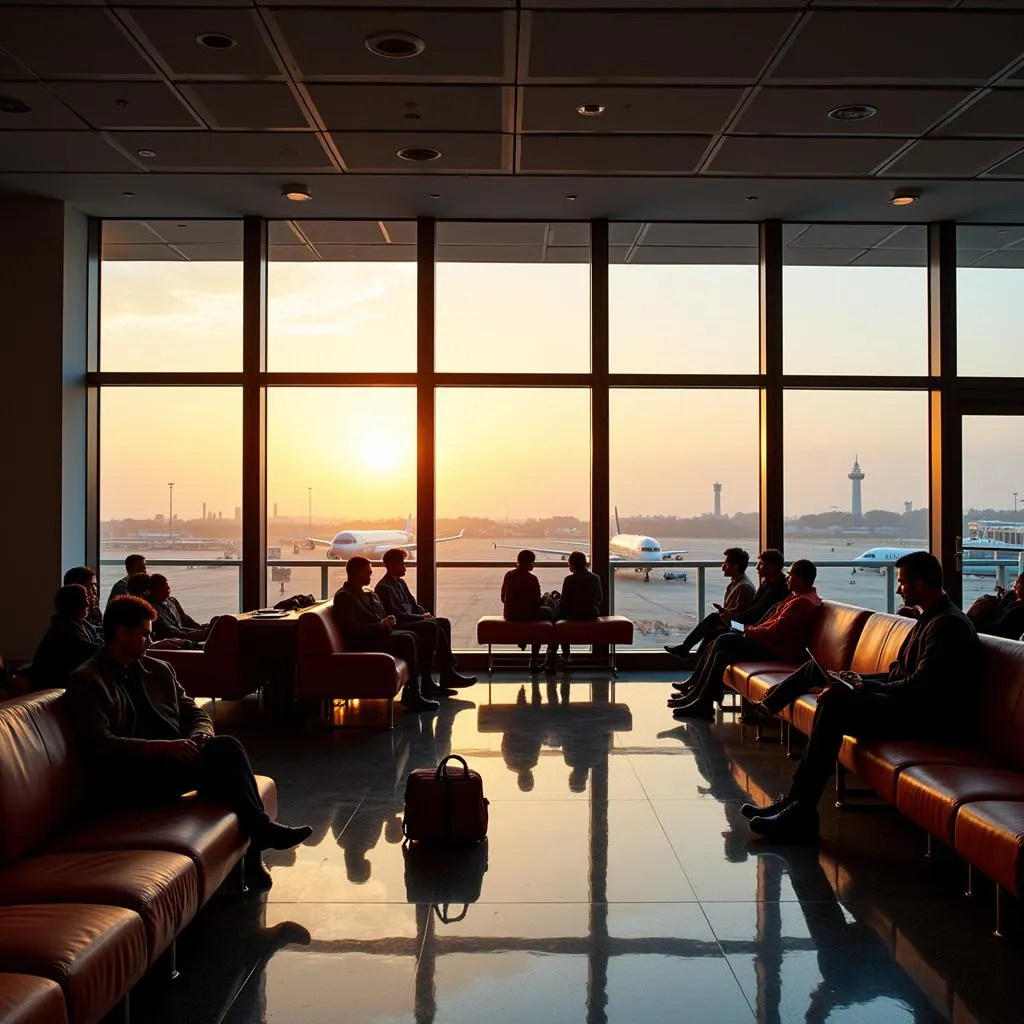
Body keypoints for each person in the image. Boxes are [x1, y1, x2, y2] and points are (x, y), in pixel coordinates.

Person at [63, 596, 312, 888]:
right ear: (121, 633)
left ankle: (255, 846)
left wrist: (200, 733)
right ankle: (255, 850)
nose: (151, 639)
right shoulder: (88, 680)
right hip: (132, 773)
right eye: (144, 633)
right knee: (227, 757)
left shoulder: (158, 670)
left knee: (224, 763)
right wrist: (161, 746)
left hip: (172, 760)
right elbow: (100, 743)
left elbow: (193, 710)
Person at [747, 551, 980, 843]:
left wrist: (864, 688)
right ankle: (796, 803)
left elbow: (922, 686)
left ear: (920, 584)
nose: (898, 589)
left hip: (925, 720)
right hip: (909, 706)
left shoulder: (947, 625)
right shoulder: (933, 619)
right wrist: (857, 680)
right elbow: (900, 675)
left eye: (903, 583)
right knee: (824, 677)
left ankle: (800, 809)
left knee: (834, 703)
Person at [669, 559, 822, 720]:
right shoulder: (801, 598)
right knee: (722, 653)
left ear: (799, 578)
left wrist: (745, 630)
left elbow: (774, 630)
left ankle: (699, 697)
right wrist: (743, 629)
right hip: (771, 644)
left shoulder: (801, 602)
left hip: (775, 650)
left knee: (723, 639)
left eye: (790, 575)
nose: (787, 578)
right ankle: (701, 700)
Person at [332, 556, 440, 712]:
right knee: (408, 639)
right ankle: (413, 693)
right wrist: (380, 626)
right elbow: (352, 630)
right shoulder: (345, 597)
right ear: (356, 572)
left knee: (411, 636)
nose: (371, 574)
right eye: (367, 572)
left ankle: (415, 689)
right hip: (363, 642)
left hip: (375, 636)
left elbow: (381, 615)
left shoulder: (367, 594)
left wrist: (388, 621)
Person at [374, 547, 475, 689]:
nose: (405, 567)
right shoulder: (384, 587)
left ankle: (448, 672)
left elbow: (413, 604)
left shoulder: (400, 583)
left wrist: (425, 614)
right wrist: (421, 618)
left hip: (409, 619)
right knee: (431, 626)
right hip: (400, 624)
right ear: (391, 565)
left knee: (442, 623)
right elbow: (396, 615)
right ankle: (429, 679)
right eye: (402, 563)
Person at [665, 548, 758, 666]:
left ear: (735, 566)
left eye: (725, 564)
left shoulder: (744, 588)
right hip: (732, 623)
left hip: (738, 627)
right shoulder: (737, 584)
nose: (722, 567)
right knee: (712, 628)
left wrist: (725, 613)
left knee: (714, 622)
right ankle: (694, 664)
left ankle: (687, 651)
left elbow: (742, 619)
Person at [500, 549, 557, 673]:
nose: (533, 565)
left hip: (510, 614)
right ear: (530, 563)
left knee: (538, 616)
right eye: (533, 562)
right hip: (528, 614)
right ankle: (544, 659)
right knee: (551, 616)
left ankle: (524, 639)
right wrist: (546, 599)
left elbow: (502, 597)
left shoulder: (508, 575)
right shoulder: (532, 579)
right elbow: (536, 603)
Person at [557, 550, 603, 669]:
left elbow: (564, 602)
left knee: (559, 616)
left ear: (572, 564)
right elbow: (599, 598)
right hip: (591, 614)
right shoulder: (596, 578)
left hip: (573, 615)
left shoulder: (569, 580)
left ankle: (565, 655)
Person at [149, 573, 212, 644]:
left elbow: (185, 620)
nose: (168, 589)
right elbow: (174, 633)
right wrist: (205, 633)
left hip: (186, 634)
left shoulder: (172, 602)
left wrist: (202, 628)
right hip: (180, 641)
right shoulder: (154, 611)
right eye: (163, 588)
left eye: (167, 587)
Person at [967, 571, 1024, 640]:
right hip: (982, 628)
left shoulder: (1019, 609)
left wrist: (987, 609)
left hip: (993, 636)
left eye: (1017, 582)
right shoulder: (1011, 595)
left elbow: (1000, 629)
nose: (1015, 584)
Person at [63, 566, 103, 636]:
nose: (95, 590)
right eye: (91, 585)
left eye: (95, 585)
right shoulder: (69, 624)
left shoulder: (95, 611)